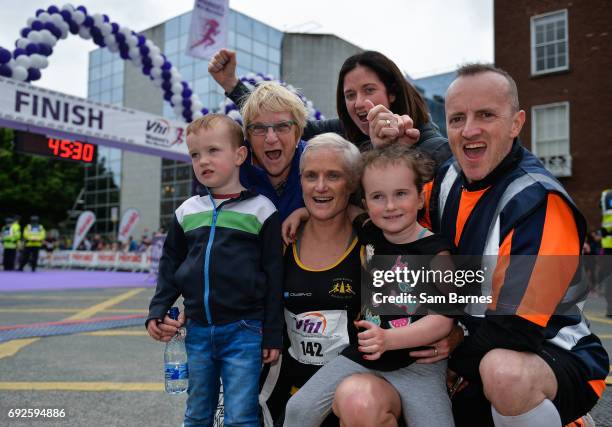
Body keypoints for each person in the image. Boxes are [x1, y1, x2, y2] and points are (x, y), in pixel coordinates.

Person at [418, 64, 609, 426]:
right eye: (457, 118)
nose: (469, 130)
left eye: (486, 115)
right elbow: (397, 243)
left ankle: (569, 421)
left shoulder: (538, 200)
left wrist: (450, 357)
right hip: (472, 346)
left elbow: (517, 329)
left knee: (504, 374)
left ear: (516, 123)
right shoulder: (445, 180)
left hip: (547, 353)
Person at [283, 143, 454, 427]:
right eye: (378, 197)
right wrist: (301, 213)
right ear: (366, 204)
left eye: (401, 194)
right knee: (298, 410)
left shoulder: (437, 253)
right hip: (363, 357)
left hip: (418, 367)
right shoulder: (371, 231)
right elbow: (341, 209)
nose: (389, 206)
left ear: (421, 198)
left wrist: (390, 340)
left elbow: (443, 321)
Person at [146, 114, 283, 427]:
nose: (203, 161)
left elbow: (275, 277)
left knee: (241, 415)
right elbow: (169, 266)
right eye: (195, 154)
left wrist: (272, 333)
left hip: (245, 330)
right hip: (196, 329)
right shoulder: (186, 212)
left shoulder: (263, 210)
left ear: (239, 156)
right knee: (196, 413)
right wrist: (157, 310)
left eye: (213, 151)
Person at [208, 49, 451, 165]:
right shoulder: (344, 132)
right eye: (349, 94)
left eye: (368, 90)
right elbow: (286, 126)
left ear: (393, 93)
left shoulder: (430, 143)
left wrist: (393, 152)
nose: (358, 103)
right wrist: (231, 84)